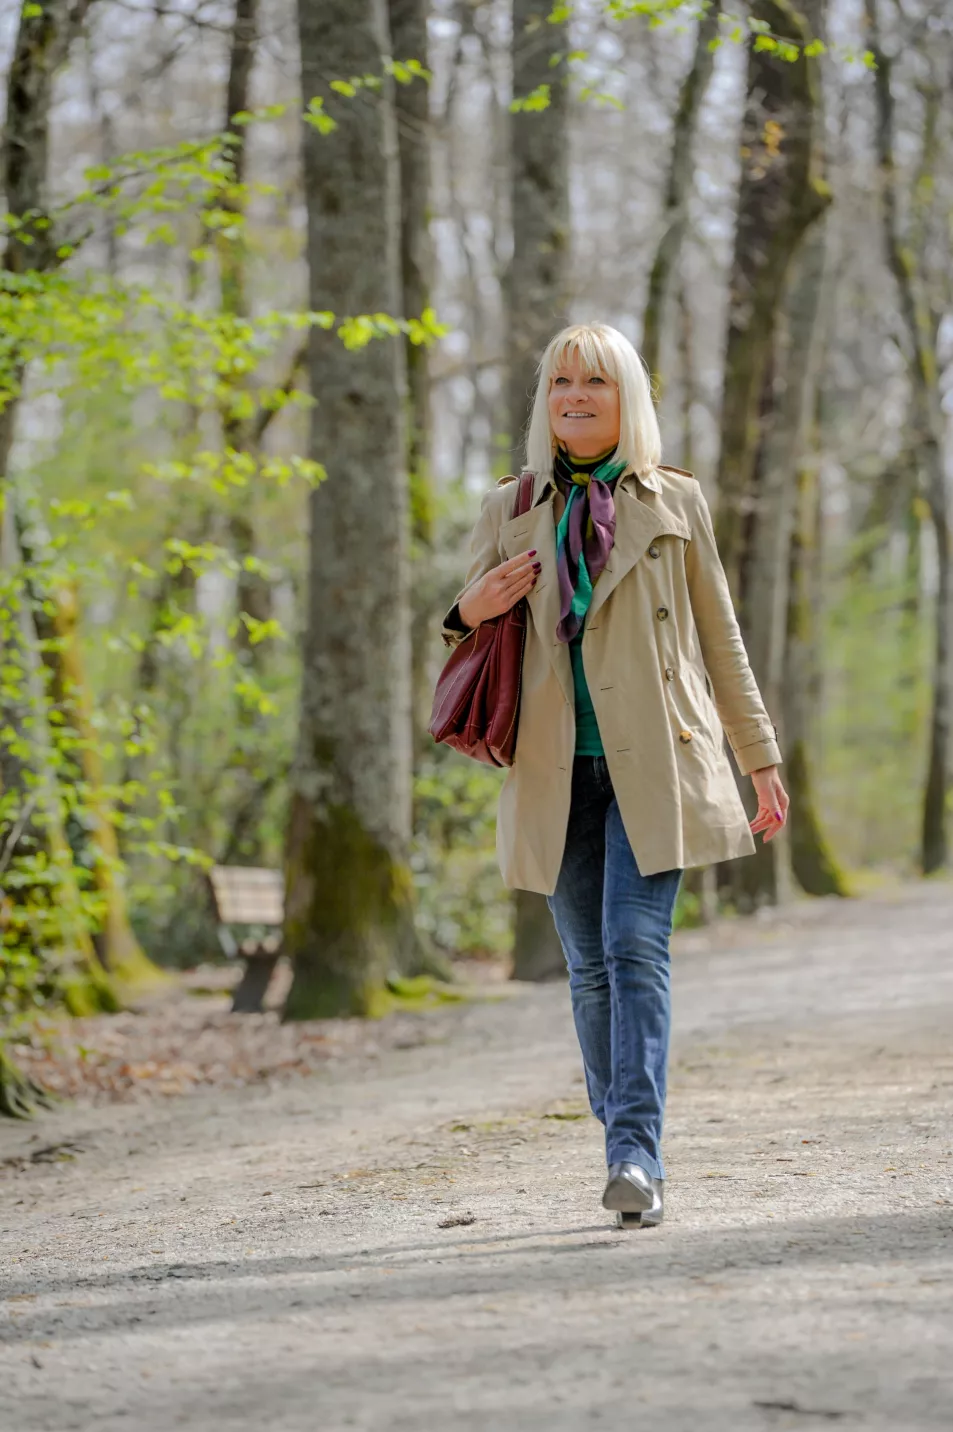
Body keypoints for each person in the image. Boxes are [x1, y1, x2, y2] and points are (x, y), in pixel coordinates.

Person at [441, 322, 788, 1228]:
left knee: (636, 950)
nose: (575, 395)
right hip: (554, 775)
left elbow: (722, 641)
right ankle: (624, 1140)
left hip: (658, 767)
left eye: (594, 380)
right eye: (560, 381)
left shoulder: (676, 502)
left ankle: (634, 1154)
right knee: (589, 969)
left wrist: (759, 756)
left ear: (624, 397)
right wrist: (465, 607)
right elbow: (457, 640)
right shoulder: (508, 506)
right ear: (544, 402)